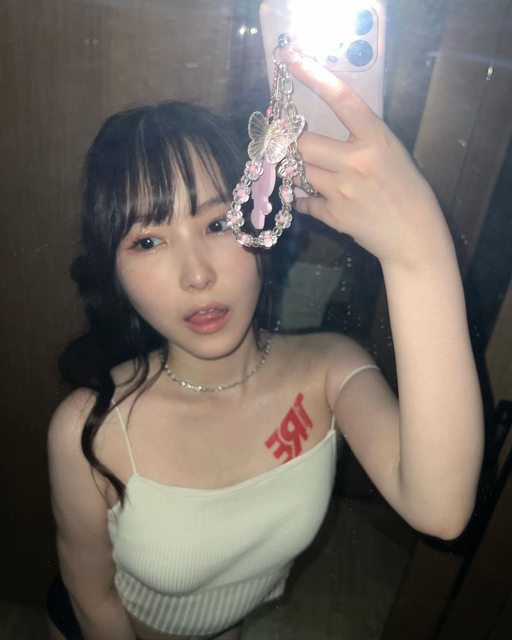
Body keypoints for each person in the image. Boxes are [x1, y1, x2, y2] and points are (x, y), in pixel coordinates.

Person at [47, 50, 484, 640]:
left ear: (262, 220)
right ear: (115, 272)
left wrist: (419, 253)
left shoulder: (330, 371)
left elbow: (442, 510)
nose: (197, 275)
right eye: (148, 241)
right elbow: (92, 598)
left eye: (218, 223)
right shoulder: (90, 426)